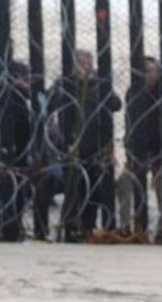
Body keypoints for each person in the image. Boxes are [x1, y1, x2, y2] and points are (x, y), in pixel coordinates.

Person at [48, 49, 122, 242]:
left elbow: (116, 104)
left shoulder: (100, 84)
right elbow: (49, 105)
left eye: (89, 63)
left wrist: (99, 91)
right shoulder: (65, 83)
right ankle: (71, 227)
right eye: (82, 63)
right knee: (74, 187)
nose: (87, 67)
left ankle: (88, 226)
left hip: (97, 144)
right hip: (72, 144)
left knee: (96, 189)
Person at [124, 56, 162, 244]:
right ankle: (131, 228)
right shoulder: (134, 92)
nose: (151, 74)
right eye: (147, 71)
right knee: (127, 185)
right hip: (139, 148)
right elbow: (129, 122)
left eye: (154, 70)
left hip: (160, 148)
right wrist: (129, 148)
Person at [0, 59, 33, 241]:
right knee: (2, 176)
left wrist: (18, 85)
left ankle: (13, 224)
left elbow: (33, 92)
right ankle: (5, 222)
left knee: (16, 175)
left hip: (19, 127)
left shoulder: (19, 68)